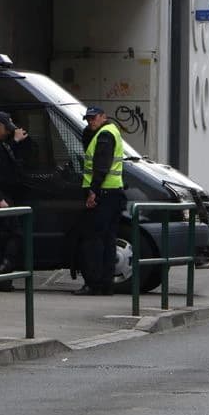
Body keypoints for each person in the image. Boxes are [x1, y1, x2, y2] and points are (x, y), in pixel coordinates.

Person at [75, 106, 126, 296]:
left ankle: (94, 284)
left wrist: (93, 192)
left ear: (103, 116)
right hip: (113, 193)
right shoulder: (110, 131)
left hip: (102, 194)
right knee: (108, 240)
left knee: (93, 240)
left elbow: (101, 166)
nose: (90, 122)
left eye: (94, 118)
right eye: (88, 119)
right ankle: (106, 284)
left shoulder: (104, 135)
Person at [0, 111, 33, 290]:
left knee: (5, 237)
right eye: (5, 128)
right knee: (11, 234)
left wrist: (15, 142)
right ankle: (1, 274)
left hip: (3, 195)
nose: (8, 132)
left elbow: (8, 164)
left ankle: (2, 277)